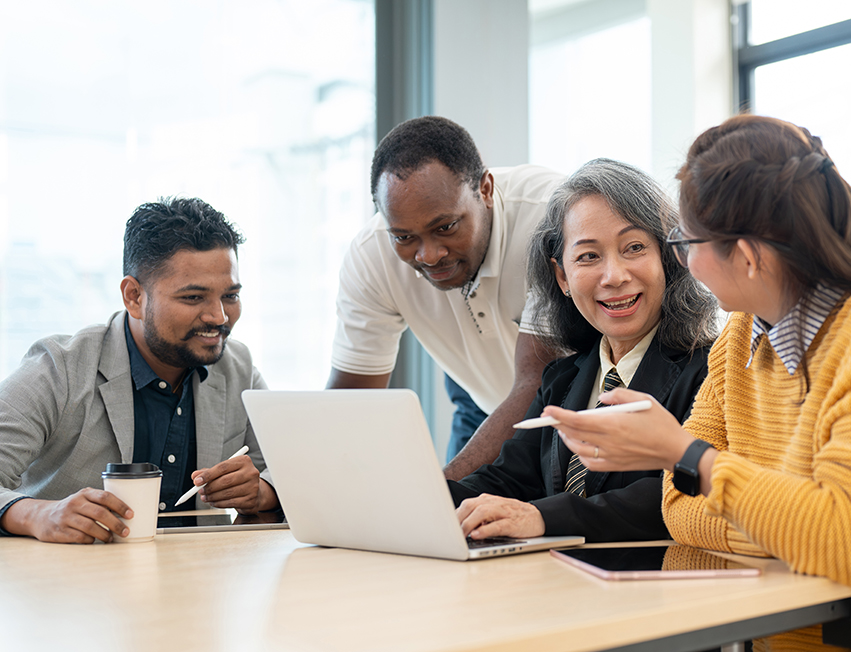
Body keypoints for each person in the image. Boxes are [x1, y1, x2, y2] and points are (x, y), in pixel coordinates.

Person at [548, 116, 851, 650]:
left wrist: (689, 456)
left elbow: (848, 541)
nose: (682, 259)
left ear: (748, 256)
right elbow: (678, 509)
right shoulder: (739, 338)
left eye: (685, 241)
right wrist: (809, 538)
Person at [451, 158, 718, 542]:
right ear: (562, 276)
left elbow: (675, 494)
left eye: (634, 247)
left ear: (667, 257)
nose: (614, 276)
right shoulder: (563, 377)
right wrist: (423, 501)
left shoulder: (710, 369)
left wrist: (542, 518)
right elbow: (508, 477)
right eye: (589, 256)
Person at [0, 197, 279, 544]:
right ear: (133, 296)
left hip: (198, 582)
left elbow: (292, 471)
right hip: (70, 584)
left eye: (231, 296)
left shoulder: (238, 368)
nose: (219, 317)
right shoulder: (60, 368)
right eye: (193, 298)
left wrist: (262, 490)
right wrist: (37, 514)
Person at [328, 116, 565, 480]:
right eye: (404, 237)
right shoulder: (371, 255)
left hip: (563, 410)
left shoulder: (550, 216)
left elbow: (537, 381)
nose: (428, 255)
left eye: (445, 227)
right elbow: (350, 404)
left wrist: (433, 496)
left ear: (485, 189)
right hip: (481, 399)